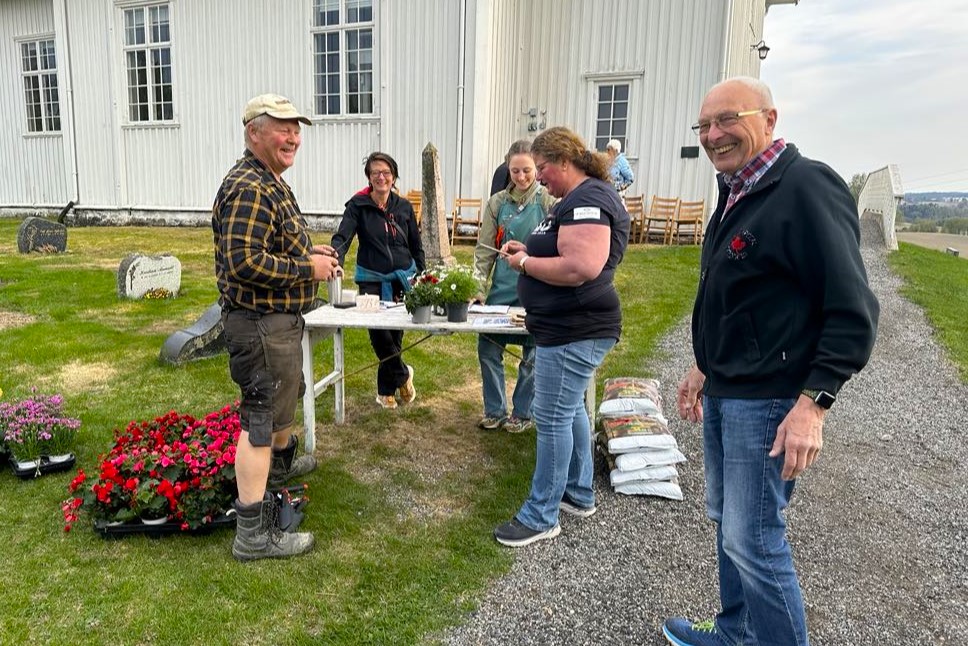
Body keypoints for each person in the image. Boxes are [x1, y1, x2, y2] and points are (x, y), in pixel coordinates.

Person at [663, 77, 879, 646]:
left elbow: (852, 309)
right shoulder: (737, 188)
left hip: (768, 402)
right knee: (729, 528)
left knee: (755, 540)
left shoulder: (806, 187)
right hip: (728, 390)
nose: (713, 135)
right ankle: (735, 632)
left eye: (726, 120)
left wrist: (815, 404)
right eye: (704, 125)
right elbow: (743, 297)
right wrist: (706, 364)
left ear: (769, 118)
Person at [213, 93, 343, 561]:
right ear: (254, 133)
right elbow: (244, 262)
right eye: (282, 128)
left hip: (277, 324)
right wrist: (307, 269)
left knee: (282, 404)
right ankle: (252, 535)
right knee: (261, 422)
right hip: (260, 325)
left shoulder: (269, 180)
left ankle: (279, 475)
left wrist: (309, 253)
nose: (293, 137)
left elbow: (271, 245)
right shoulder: (250, 186)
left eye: (296, 129)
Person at [493, 126, 630, 547]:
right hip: (568, 325)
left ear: (564, 162)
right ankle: (578, 492)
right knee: (569, 411)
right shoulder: (577, 198)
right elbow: (562, 252)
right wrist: (527, 251)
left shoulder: (588, 199)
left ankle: (541, 514)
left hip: (575, 327)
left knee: (552, 416)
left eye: (543, 167)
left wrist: (524, 265)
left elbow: (580, 267)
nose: (539, 177)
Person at [331, 152, 425, 409]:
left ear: (393, 176)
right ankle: (403, 375)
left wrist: (422, 275)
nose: (381, 177)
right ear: (369, 177)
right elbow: (343, 237)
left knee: (394, 333)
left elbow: (416, 245)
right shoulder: (357, 206)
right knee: (378, 332)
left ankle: (385, 392)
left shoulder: (404, 207)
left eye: (386, 172)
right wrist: (335, 259)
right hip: (370, 278)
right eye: (375, 173)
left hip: (403, 277)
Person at [474, 140, 556, 433]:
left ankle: (523, 412)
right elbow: (484, 251)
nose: (521, 177)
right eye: (515, 171)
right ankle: (494, 409)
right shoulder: (496, 203)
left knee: (532, 355)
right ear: (507, 169)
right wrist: (477, 288)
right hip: (502, 288)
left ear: (536, 168)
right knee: (488, 347)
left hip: (536, 288)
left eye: (527, 170)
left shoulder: (548, 201)